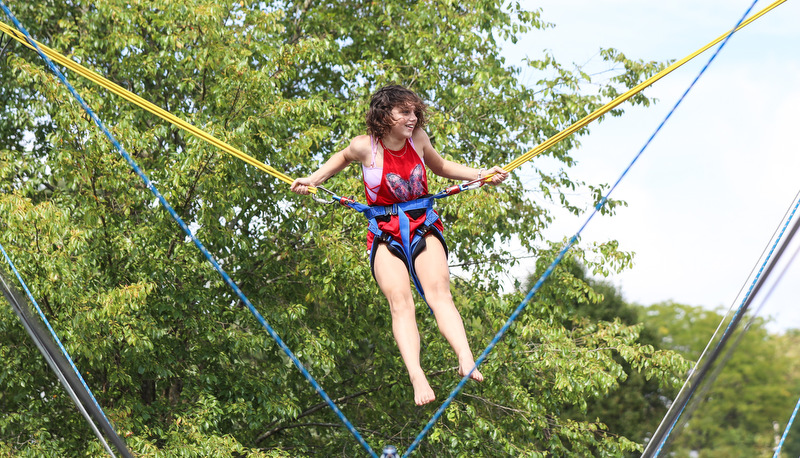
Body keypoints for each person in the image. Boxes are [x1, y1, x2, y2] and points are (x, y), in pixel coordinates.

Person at [291, 85, 508, 405]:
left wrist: (482, 175)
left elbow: (442, 167)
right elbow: (340, 158)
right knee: (400, 303)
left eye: (415, 112)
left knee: (439, 293)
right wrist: (313, 180)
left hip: (423, 225)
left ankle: (465, 355)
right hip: (384, 233)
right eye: (404, 112)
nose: (413, 118)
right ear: (385, 114)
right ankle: (416, 375)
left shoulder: (418, 139)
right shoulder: (366, 147)